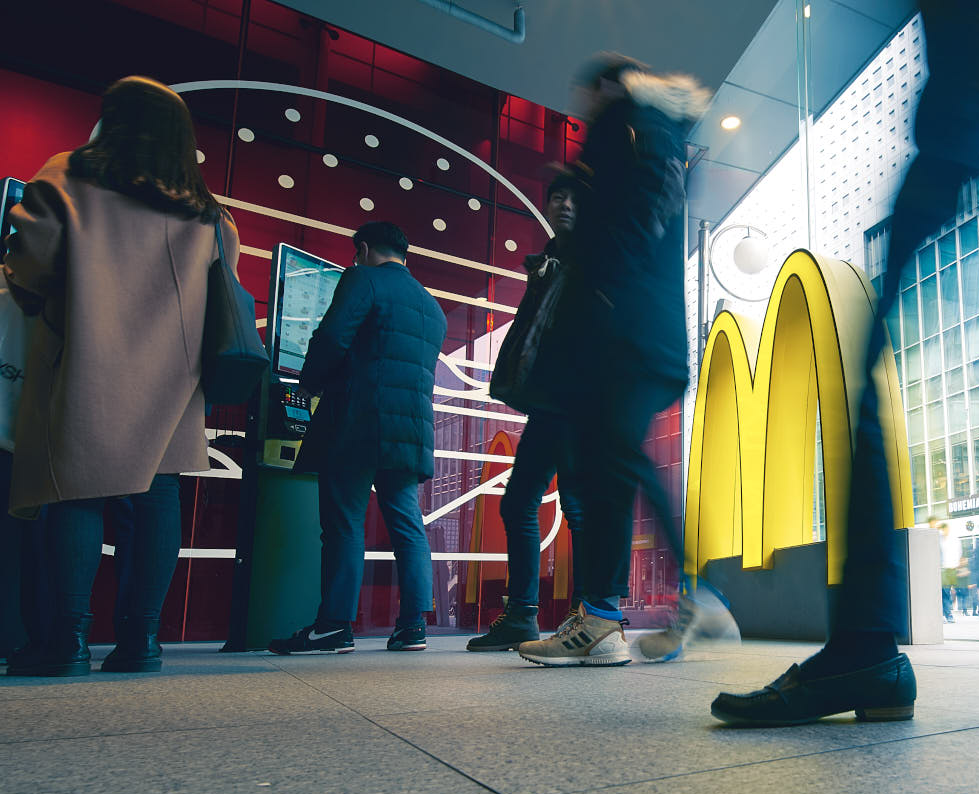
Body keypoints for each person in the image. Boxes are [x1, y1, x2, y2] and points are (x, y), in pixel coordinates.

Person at [710, 0, 979, 724]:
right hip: (958, 146)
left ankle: (866, 650)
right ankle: (865, 648)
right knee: (864, 401)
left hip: (961, 149)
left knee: (868, 401)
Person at [3, 76, 238, 677]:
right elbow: (222, 297)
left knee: (74, 493)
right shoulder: (210, 216)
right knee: (157, 496)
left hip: (86, 361)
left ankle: (69, 642)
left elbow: (27, 263)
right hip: (174, 381)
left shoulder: (66, 177)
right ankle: (143, 643)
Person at [517, 54, 736, 667]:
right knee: (613, 467)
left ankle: (624, 612)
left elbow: (629, 227)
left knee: (610, 467)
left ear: (610, 85)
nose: (583, 103)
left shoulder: (625, 127)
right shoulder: (661, 138)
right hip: (647, 334)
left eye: (588, 92)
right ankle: (629, 612)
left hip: (622, 333)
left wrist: (602, 287)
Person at [268, 221, 446, 655]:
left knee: (345, 521)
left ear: (363, 249)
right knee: (407, 523)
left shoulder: (362, 278)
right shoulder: (432, 307)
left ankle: (333, 626)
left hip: (359, 421)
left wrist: (308, 383)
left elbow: (332, 336)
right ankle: (413, 627)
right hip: (410, 431)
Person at [468, 174, 586, 651]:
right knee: (521, 503)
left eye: (574, 199)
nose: (564, 205)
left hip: (577, 403)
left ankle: (585, 614)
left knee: (577, 508)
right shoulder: (552, 261)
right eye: (557, 196)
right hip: (550, 403)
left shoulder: (589, 260)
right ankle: (524, 615)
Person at [938, 519, 960, 623]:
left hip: (948, 570)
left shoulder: (953, 540)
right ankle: (947, 614)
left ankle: (946, 614)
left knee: (945, 592)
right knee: (943, 593)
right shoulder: (939, 540)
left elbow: (957, 554)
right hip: (941, 570)